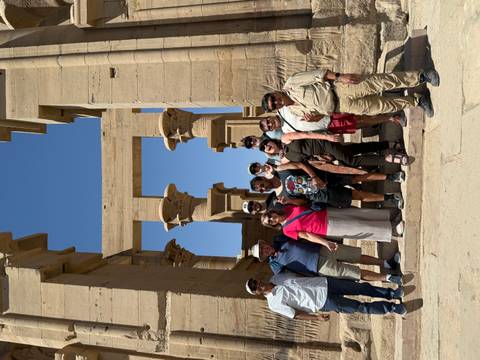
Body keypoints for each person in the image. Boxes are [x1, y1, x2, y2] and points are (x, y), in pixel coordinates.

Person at [261, 68, 439, 117]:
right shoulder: (293, 111)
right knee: (383, 106)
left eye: (273, 99)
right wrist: (313, 118)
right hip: (342, 106)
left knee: (381, 81)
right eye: (274, 105)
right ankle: (417, 100)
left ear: (275, 93)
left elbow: (318, 74)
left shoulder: (291, 84)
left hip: (339, 89)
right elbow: (318, 114)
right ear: (276, 109)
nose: (276, 102)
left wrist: (339, 76)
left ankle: (421, 76)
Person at [245, 272, 407, 318]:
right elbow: (294, 314)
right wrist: (316, 317)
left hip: (324, 283)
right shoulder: (273, 304)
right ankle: (392, 307)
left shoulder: (277, 276)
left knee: (360, 287)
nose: (257, 284)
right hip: (322, 302)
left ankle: (391, 293)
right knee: (360, 307)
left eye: (254, 281)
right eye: (254, 287)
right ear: (256, 293)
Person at [250, 164, 405, 209]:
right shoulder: (280, 197)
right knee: (357, 196)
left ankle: (391, 177)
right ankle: (390, 198)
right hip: (321, 195)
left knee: (356, 178)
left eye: (260, 185)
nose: (263, 188)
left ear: (262, 178)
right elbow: (304, 202)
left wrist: (314, 176)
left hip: (324, 177)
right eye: (260, 190)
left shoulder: (279, 170)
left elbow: (299, 164)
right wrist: (290, 202)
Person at [250, 238, 402, 284]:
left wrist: (325, 241)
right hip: (319, 267)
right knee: (355, 274)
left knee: (357, 256)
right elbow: (287, 277)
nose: (265, 249)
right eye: (263, 252)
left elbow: (302, 235)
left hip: (322, 249)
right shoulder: (273, 264)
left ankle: (385, 263)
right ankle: (387, 277)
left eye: (263, 246)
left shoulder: (280, 238)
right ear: (264, 257)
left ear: (264, 243)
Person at [260, 205, 403, 242]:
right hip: (326, 227)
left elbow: (303, 204)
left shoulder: (287, 207)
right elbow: (307, 236)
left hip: (327, 212)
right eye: (270, 222)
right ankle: (392, 231)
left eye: (269, 216)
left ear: (272, 212)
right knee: (359, 227)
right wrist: (325, 242)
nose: (272, 219)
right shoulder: (286, 230)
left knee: (360, 214)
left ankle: (389, 219)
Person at [259, 138, 412, 167]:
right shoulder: (285, 158)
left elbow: (308, 134)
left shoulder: (285, 138)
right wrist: (323, 160)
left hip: (325, 143)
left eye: (266, 142)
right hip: (325, 154)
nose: (267, 146)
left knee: (351, 161)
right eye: (265, 148)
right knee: (356, 149)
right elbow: (307, 161)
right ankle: (391, 144)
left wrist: (327, 136)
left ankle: (390, 158)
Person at [260, 111, 407, 138]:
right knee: (359, 123)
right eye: (269, 127)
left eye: (268, 121)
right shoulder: (286, 131)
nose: (270, 124)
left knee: (360, 115)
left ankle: (390, 115)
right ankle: (388, 118)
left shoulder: (284, 108)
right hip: (329, 126)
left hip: (329, 113)